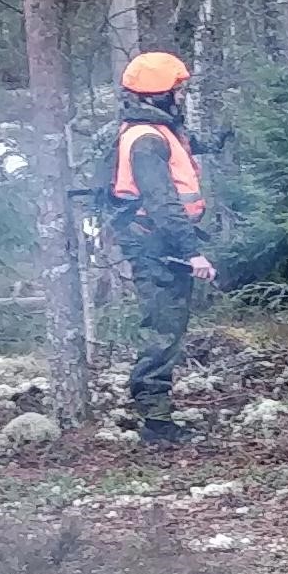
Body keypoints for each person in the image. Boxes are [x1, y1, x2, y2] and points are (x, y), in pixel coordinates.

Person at [101, 51, 220, 443]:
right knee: (163, 329)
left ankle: (157, 414)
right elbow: (163, 203)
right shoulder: (146, 140)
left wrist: (214, 143)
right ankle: (156, 422)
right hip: (156, 243)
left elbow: (181, 155)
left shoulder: (152, 129)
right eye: (178, 89)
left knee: (168, 326)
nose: (182, 95)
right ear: (159, 95)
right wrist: (192, 252)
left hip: (156, 239)